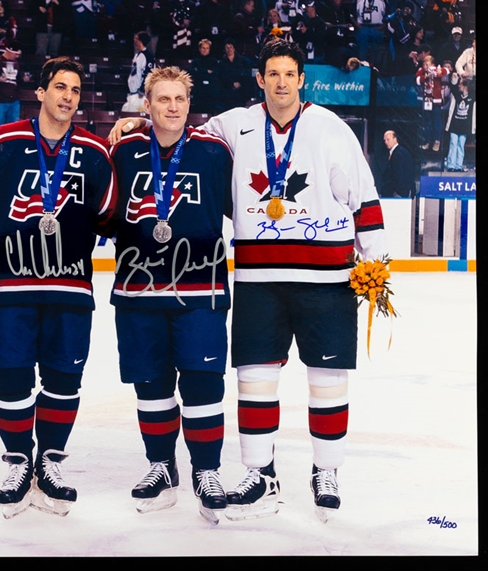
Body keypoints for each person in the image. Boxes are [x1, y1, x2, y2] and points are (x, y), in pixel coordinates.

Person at [109, 39, 388, 523]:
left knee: (327, 381)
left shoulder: (331, 128)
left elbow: (363, 197)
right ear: (260, 79)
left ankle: (327, 470)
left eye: (290, 74)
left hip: (328, 278)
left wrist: (376, 262)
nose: (281, 82)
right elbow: (178, 132)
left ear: (303, 80)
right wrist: (137, 123)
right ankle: (261, 475)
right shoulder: (232, 125)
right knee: (255, 380)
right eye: (272, 74)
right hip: (260, 279)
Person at [0, 57, 116, 519]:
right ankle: (19, 462)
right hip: (10, 287)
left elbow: (108, 217)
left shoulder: (96, 153)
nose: (67, 97)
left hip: (71, 288)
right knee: (11, 377)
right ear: (40, 92)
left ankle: (51, 461)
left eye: (75, 90)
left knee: (64, 378)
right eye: (59, 87)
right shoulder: (3, 142)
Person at [108, 66, 233, 523]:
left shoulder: (214, 152)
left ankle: (207, 470)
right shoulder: (122, 150)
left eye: (180, 99)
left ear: (189, 102)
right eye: (163, 100)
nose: (173, 107)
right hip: (138, 289)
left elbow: (238, 210)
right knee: (152, 384)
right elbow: (103, 211)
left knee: (203, 384)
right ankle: (161, 465)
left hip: (200, 288)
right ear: (148, 104)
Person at [444, 77, 475, 172]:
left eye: (460, 84)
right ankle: (451, 165)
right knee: (453, 143)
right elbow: (453, 86)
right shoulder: (457, 95)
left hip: (465, 126)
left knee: (461, 145)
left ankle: (458, 165)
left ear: (465, 86)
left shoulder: (472, 97)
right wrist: (456, 77)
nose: (459, 85)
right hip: (455, 125)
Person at [381, 130, 415, 197]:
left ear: (395, 139)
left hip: (399, 194)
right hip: (403, 192)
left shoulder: (397, 154)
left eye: (388, 139)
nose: (386, 142)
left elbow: (399, 175)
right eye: (384, 140)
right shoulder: (403, 151)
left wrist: (394, 191)